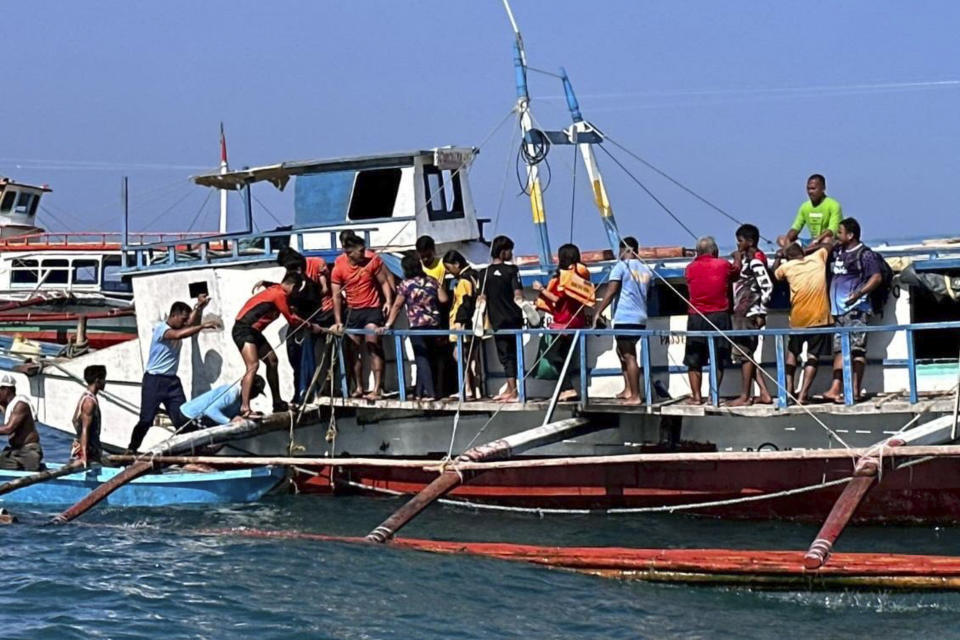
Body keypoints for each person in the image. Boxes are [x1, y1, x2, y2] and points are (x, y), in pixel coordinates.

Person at [127, 295, 217, 453]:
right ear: (174, 315)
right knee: (146, 419)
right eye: (182, 319)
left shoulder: (179, 325)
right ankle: (132, 449)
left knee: (182, 418)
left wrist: (198, 307)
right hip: (154, 380)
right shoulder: (161, 329)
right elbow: (179, 335)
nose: (184, 323)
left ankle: (192, 450)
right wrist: (203, 326)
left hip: (172, 382)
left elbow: (189, 323)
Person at [234, 272, 325, 418]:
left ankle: (277, 402)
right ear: (293, 286)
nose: (294, 295)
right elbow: (292, 320)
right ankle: (245, 408)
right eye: (296, 291)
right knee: (253, 366)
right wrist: (311, 326)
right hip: (243, 329)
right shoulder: (279, 295)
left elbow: (273, 285)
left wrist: (264, 281)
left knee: (272, 361)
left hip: (254, 332)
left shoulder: (278, 289)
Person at [822, 217, 883, 403]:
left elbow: (876, 277)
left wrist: (858, 294)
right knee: (840, 350)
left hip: (857, 310)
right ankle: (836, 389)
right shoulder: (838, 251)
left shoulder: (865, 254)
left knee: (857, 350)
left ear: (850, 235)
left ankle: (855, 390)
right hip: (839, 311)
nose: (837, 236)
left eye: (840, 233)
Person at [330, 234, 394, 399]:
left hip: (372, 309)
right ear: (349, 253)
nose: (364, 253)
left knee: (373, 345)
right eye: (360, 251)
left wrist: (387, 301)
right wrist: (338, 321)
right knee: (353, 349)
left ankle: (377, 388)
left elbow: (384, 281)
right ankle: (358, 387)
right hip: (353, 311)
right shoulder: (338, 267)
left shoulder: (371, 260)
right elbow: (336, 296)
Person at [380, 252, 449, 400]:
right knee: (429, 357)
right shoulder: (432, 280)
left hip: (417, 325)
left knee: (421, 358)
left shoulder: (406, 284)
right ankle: (419, 392)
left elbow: (398, 305)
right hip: (434, 325)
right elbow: (443, 299)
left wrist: (388, 324)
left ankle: (431, 393)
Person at [592, 236, 652, 405]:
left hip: (625, 317)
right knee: (622, 352)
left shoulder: (620, 267)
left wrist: (598, 312)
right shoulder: (646, 270)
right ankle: (628, 390)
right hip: (640, 318)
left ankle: (635, 395)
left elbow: (611, 292)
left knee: (629, 355)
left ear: (626, 250)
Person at [773, 242, 832, 404]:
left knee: (792, 352)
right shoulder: (818, 259)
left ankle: (789, 390)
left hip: (798, 318)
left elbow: (774, 275)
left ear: (788, 257)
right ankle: (803, 395)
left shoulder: (787, 267)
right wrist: (809, 249)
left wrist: (779, 257)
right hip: (820, 318)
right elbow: (828, 244)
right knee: (813, 356)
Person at [533, 243, 593, 401]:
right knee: (565, 356)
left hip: (564, 323)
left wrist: (541, 289)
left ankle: (568, 389)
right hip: (577, 322)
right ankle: (566, 389)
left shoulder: (564, 277)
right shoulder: (580, 276)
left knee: (554, 355)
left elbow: (558, 300)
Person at [683, 236, 739, 404]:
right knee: (719, 357)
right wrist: (737, 256)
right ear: (715, 251)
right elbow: (736, 272)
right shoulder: (722, 265)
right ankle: (712, 396)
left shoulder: (690, 268)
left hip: (696, 316)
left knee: (694, 359)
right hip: (719, 315)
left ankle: (696, 396)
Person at [728, 224, 774, 407]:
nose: (738, 245)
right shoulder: (746, 261)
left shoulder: (754, 262)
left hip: (748, 312)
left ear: (750, 241)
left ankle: (745, 396)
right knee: (746, 355)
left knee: (744, 355)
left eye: (740, 241)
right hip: (742, 312)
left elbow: (767, 286)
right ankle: (763, 392)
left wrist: (761, 310)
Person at [479, 235, 525, 402]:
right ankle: (512, 390)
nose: (511, 254)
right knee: (514, 354)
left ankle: (511, 390)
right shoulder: (512, 270)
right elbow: (518, 294)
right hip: (514, 318)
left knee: (505, 356)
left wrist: (479, 315)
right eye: (509, 250)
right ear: (503, 251)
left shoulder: (483, 273)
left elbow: (482, 297)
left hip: (497, 320)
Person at [442, 250, 482, 399]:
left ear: (457, 264)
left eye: (449, 268)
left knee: (459, 356)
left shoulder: (464, 280)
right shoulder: (474, 275)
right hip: (475, 323)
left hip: (463, 324)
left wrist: (459, 321)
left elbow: (465, 302)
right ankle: (476, 389)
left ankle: (467, 389)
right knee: (473, 358)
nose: (449, 272)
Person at [779, 174, 842, 253]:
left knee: (827, 240)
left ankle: (802, 252)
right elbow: (796, 227)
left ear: (823, 188)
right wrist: (788, 240)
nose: (810, 192)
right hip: (811, 242)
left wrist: (817, 240)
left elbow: (832, 230)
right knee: (781, 239)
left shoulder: (833, 205)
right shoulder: (805, 206)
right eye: (808, 189)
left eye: (813, 189)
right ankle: (795, 254)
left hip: (825, 242)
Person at [180, 376, 266, 428]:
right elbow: (210, 410)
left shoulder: (241, 401)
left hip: (199, 418)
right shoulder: (232, 394)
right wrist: (230, 422)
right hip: (189, 417)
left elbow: (232, 414)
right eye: (254, 391)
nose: (254, 395)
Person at [0, 374, 42, 471]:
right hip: (16, 451)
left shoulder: (20, 405)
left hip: (27, 453)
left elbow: (8, 429)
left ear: (6, 390)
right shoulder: (8, 405)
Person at [70, 365, 106, 466]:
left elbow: (74, 420)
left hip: (88, 447)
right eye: (104, 379)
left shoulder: (86, 396)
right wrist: (84, 456)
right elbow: (85, 429)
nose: (105, 382)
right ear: (98, 380)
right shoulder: (89, 402)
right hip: (87, 450)